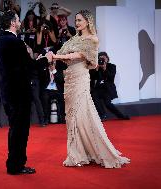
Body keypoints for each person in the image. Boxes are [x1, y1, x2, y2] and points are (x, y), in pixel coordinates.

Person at [47, 10, 130, 168]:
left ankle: (84, 153)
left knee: (80, 114)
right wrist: (51, 56)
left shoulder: (92, 39)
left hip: (80, 78)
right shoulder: (74, 38)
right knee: (72, 116)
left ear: (87, 21)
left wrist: (56, 57)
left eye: (79, 20)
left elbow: (77, 55)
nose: (77, 23)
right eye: (76, 20)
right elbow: (62, 51)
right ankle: (79, 152)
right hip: (69, 78)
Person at [0, 10, 50, 175]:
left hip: (7, 91)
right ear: (12, 22)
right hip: (18, 92)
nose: (20, 21)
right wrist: (46, 59)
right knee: (20, 130)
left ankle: (14, 164)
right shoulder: (14, 42)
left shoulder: (0, 41)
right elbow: (29, 66)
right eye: (18, 19)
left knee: (15, 128)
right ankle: (16, 165)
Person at [90, 52, 130, 121]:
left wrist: (105, 68)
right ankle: (102, 115)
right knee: (94, 96)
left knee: (108, 104)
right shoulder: (96, 67)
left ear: (107, 59)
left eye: (104, 58)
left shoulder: (112, 66)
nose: (102, 60)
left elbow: (111, 78)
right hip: (98, 89)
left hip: (107, 89)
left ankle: (121, 116)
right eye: (100, 58)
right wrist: (96, 69)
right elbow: (92, 78)